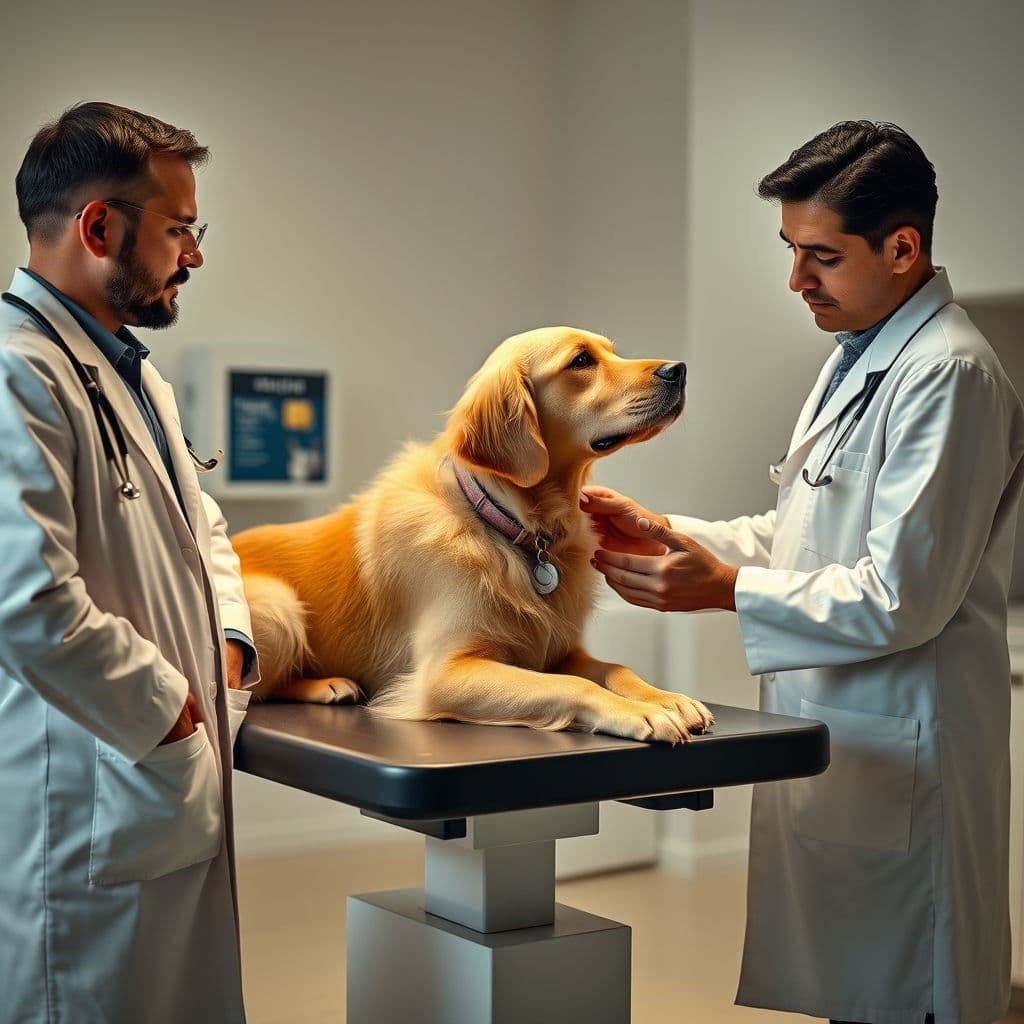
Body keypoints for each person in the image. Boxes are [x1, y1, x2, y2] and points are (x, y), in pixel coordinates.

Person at [583, 121, 1024, 1024]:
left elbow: (900, 595)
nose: (797, 281)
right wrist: (669, 532)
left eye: (820, 255)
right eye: (791, 251)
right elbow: (802, 531)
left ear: (903, 248)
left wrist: (725, 590)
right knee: (858, 992)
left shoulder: (949, 375)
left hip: (912, 739)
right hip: (849, 736)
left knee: (915, 994)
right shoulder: (857, 359)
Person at [0, 102, 258, 1024]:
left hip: (153, 778)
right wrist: (168, 712)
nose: (194, 253)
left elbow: (202, 529)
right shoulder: (16, 373)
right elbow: (26, 605)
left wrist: (228, 635)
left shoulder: (129, 371)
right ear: (100, 227)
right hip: (97, 784)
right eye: (180, 228)